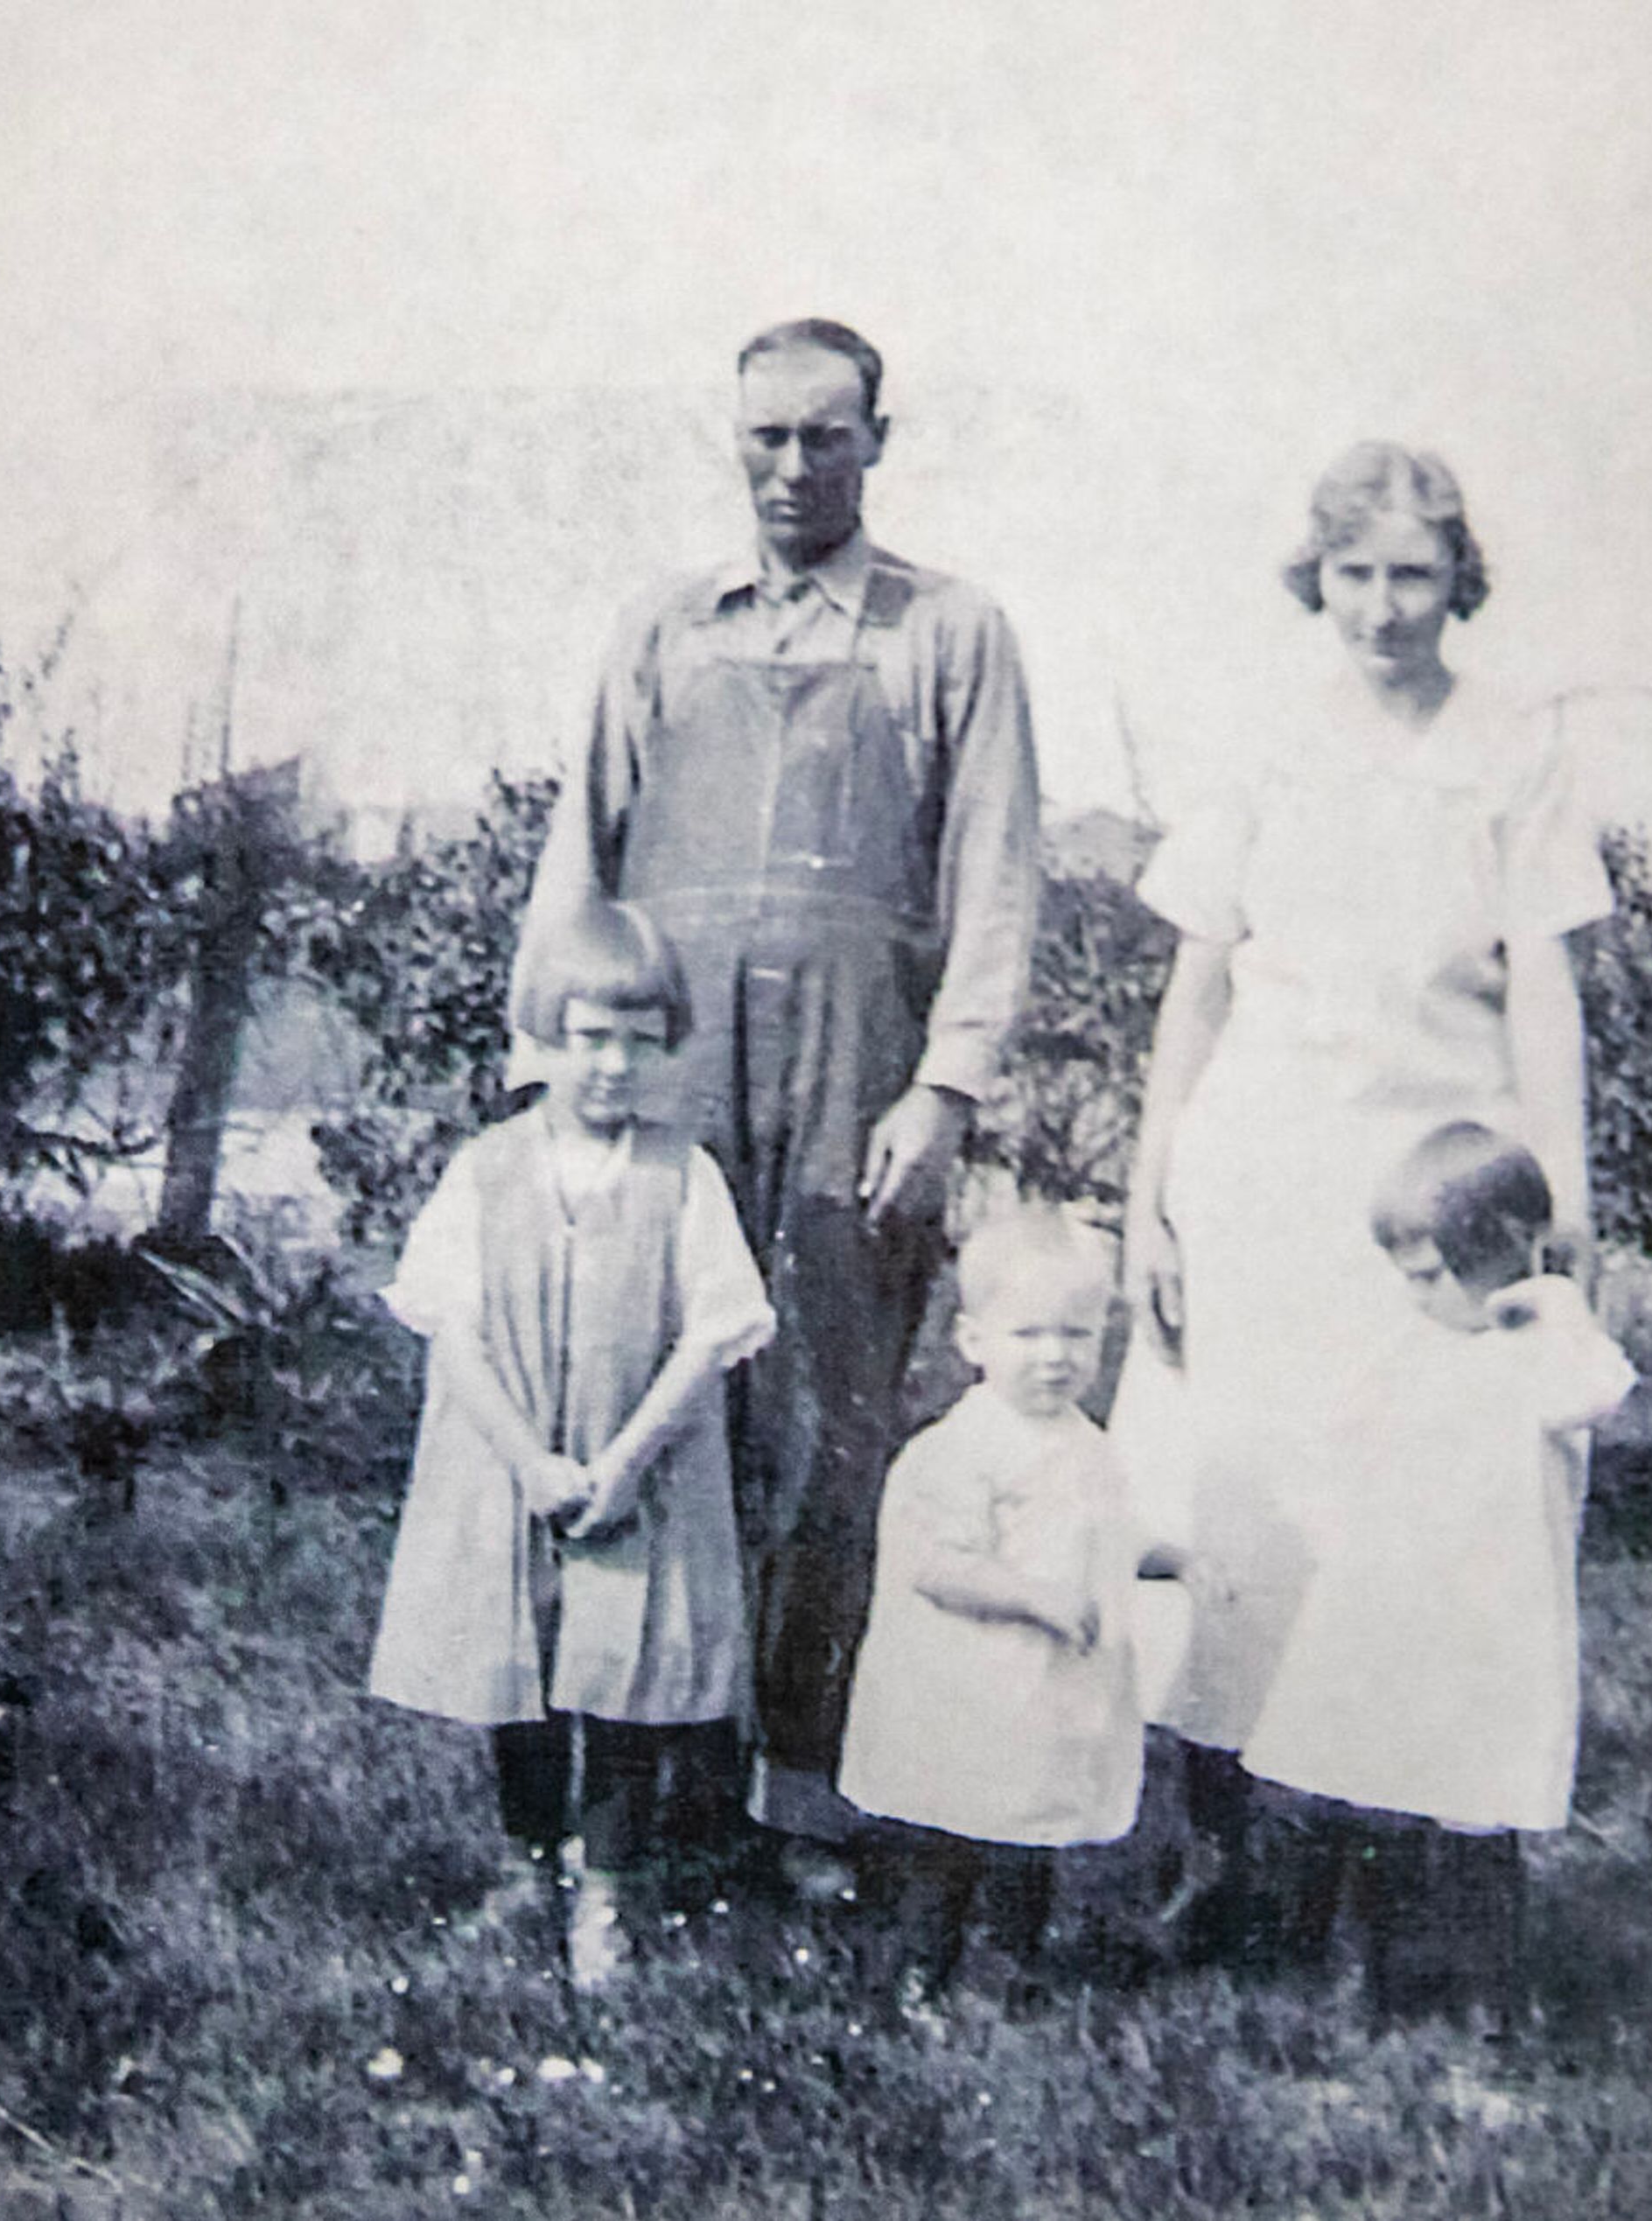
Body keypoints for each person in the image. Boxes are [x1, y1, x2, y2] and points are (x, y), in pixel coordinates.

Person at [512, 319, 1042, 1874]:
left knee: (830, 1425)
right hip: (666, 1064)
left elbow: (998, 875)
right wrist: (551, 1068)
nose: (794, 466)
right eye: (766, 436)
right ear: (729, 440)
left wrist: (942, 1089)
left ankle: (800, 1793)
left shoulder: (950, 631)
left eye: (826, 435)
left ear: (881, 437)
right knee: (648, 1402)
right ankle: (636, 1792)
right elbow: (579, 857)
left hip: (855, 1078)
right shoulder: (664, 629)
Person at [1114, 440, 1614, 1966]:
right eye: (1354, 575)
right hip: (1261, 1167)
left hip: (1441, 1189)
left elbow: (1546, 980)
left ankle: (1402, 1876)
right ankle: (1231, 1861)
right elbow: (1196, 979)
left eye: (1413, 574)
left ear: (1459, 578)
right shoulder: (1267, 733)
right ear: (1313, 579)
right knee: (1242, 1498)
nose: (1384, 609)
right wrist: (1149, 1194)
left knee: (1422, 1521)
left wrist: (1565, 1193)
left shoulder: (1515, 746)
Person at [368, 900, 777, 1988]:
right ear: (542, 1036)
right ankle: (530, 1859)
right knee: (524, 1668)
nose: (615, 1067)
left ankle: (610, 1885)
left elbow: (712, 1338)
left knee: (621, 1678)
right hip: (510, 1470)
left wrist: (624, 1462)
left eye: (643, 1044)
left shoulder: (683, 1178)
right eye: (592, 1037)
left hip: (636, 1469)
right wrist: (531, 1464)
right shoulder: (484, 1172)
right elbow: (449, 1333)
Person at [1236, 1123, 1635, 2028]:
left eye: (1430, 1275)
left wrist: (1558, 1303)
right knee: (1373, 1788)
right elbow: (1333, 1444)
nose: (1415, 1298)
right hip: (1392, 1613)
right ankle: (1368, 1980)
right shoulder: (1412, 1350)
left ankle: (1489, 1999)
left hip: (1490, 1625)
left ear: (1499, 1249)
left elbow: (1603, 1391)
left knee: (1475, 1807)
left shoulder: (1544, 1358)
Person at [836, 1207, 1180, 2008]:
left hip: (1040, 1700)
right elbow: (935, 1567)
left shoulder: (1086, 1443)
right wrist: (1034, 1598)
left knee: (1029, 1838)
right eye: (1030, 1335)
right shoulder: (958, 1451)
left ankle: (1009, 1970)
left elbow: (1105, 1537)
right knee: (951, 1839)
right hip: (970, 1693)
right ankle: (927, 1971)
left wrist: (1174, 1562)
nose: (1057, 1358)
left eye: (1078, 1335)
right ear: (972, 1341)